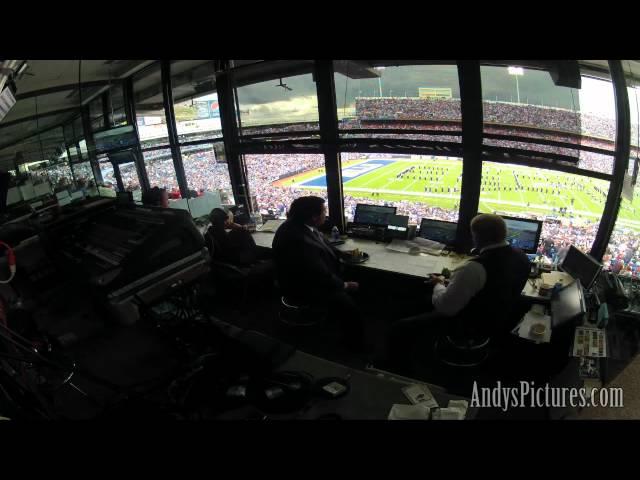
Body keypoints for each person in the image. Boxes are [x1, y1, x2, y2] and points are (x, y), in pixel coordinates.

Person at [387, 214, 530, 373]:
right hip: (497, 319)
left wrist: (439, 283)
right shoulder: (522, 257)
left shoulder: (474, 267)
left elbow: (445, 308)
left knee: (399, 328)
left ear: (476, 236)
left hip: (467, 323)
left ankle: (394, 369)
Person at [272, 196, 365, 352]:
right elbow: (319, 274)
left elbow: (321, 244)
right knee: (350, 306)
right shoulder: (298, 238)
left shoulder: (300, 226)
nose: (326, 215)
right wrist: (344, 285)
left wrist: (342, 254)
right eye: (324, 211)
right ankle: (353, 345)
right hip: (305, 288)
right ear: (314, 216)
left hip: (309, 279)